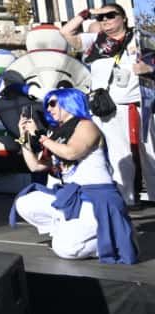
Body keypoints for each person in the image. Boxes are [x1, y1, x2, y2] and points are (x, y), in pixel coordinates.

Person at [12, 88, 137, 263]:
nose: (48, 108)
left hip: (95, 199)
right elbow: (36, 166)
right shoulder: (57, 133)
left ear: (68, 102)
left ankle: (108, 240)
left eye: (53, 103)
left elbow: (71, 153)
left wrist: (41, 136)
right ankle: (66, 231)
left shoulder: (87, 125)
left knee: (65, 249)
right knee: (25, 203)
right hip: (71, 197)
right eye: (47, 104)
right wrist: (23, 137)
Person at [60, 3, 155, 207]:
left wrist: (148, 68)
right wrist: (86, 14)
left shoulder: (142, 38)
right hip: (107, 108)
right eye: (101, 18)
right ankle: (127, 198)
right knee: (118, 154)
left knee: (150, 153)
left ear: (123, 17)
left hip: (139, 104)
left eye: (111, 16)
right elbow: (66, 31)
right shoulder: (95, 42)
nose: (105, 21)